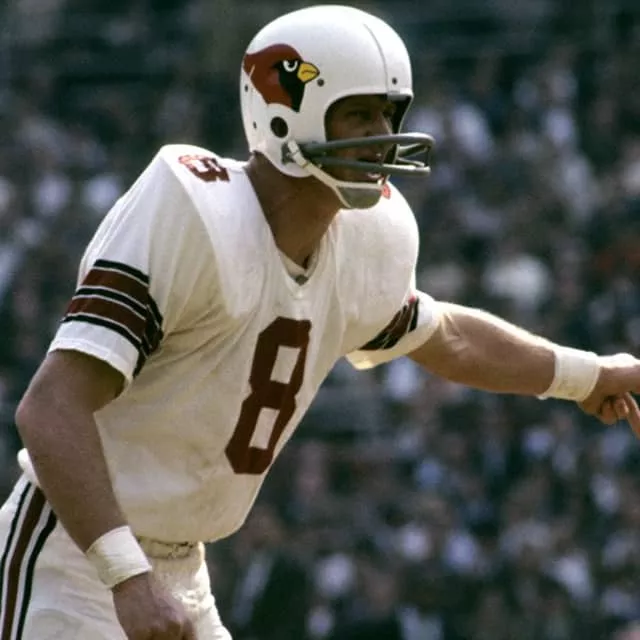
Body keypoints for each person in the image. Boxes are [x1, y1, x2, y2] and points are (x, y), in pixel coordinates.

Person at [0, 4, 639, 640]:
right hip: (76, 556)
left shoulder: (365, 240)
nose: (382, 136)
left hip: (180, 567)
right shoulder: (194, 212)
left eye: (389, 115)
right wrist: (126, 577)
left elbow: (446, 336)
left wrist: (588, 376)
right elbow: (49, 408)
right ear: (284, 112)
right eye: (359, 114)